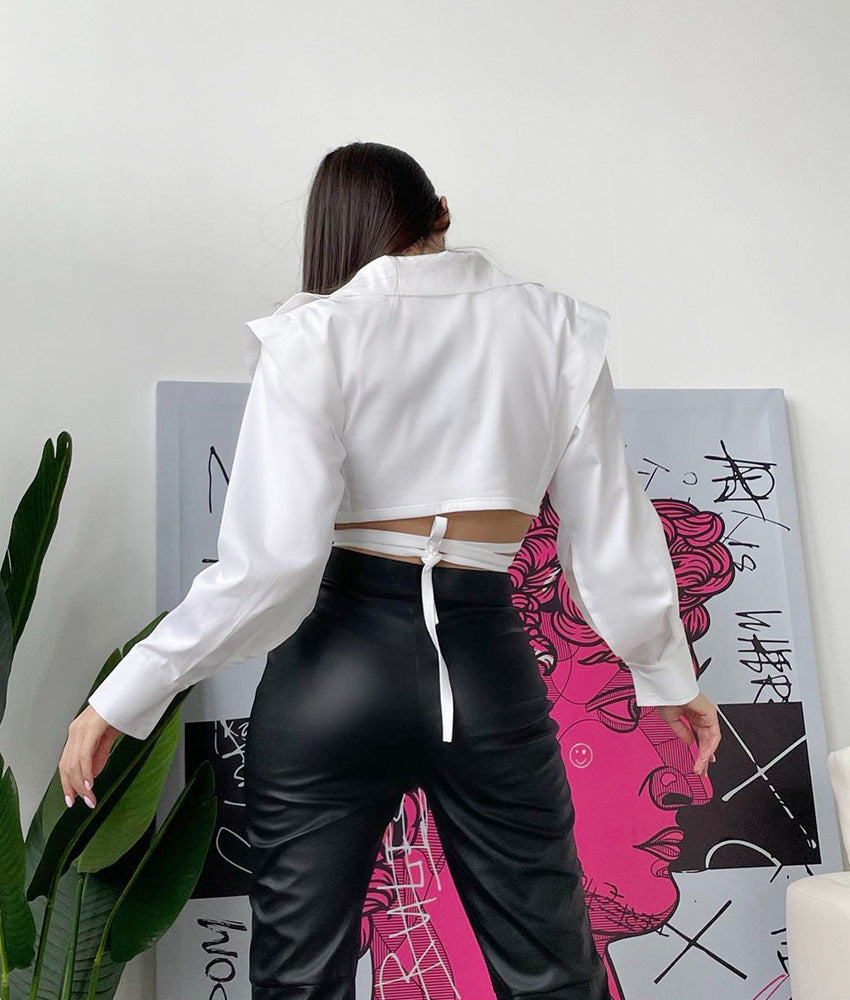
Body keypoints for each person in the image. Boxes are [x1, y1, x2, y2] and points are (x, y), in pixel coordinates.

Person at [58, 141, 721, 1000]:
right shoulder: (560, 328)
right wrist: (667, 675)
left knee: (300, 980)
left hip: (334, 669)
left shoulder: (312, 334)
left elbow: (272, 568)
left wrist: (125, 694)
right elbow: (609, 540)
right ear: (440, 212)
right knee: (554, 974)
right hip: (486, 668)